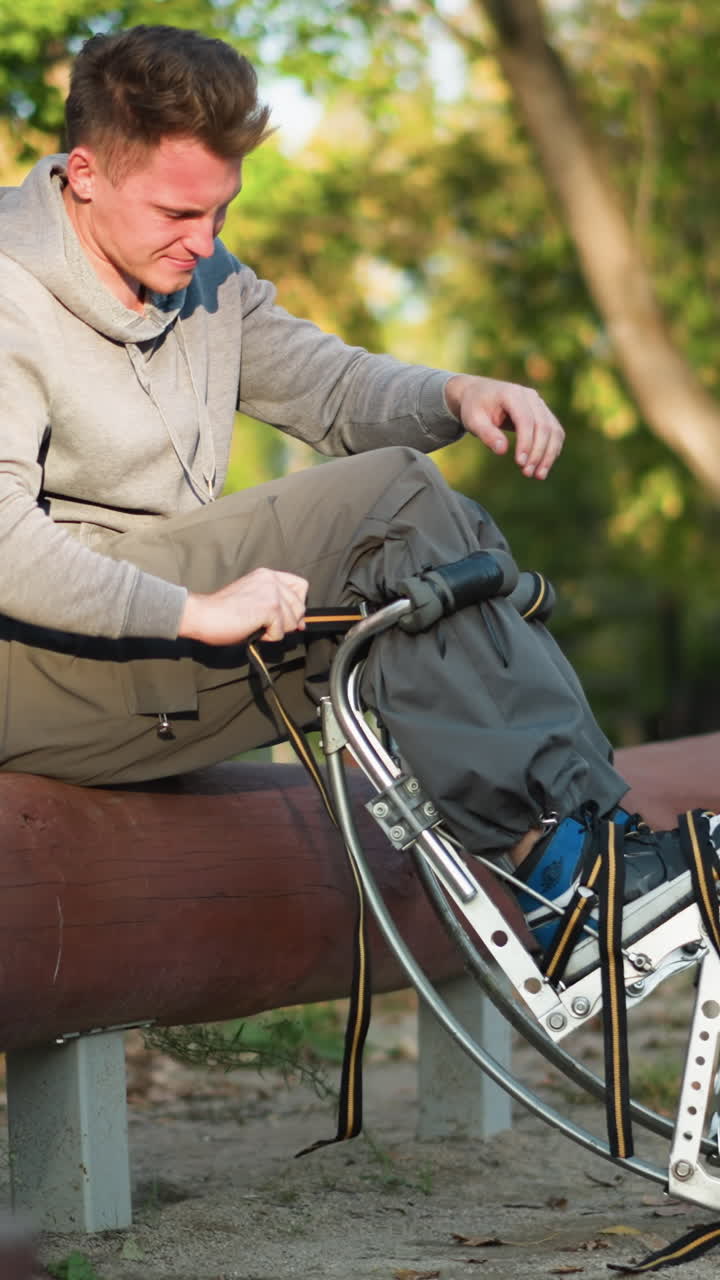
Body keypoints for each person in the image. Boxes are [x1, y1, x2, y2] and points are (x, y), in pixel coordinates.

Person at [0, 24, 715, 966]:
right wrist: (192, 610)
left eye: (222, 211)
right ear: (83, 173)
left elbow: (332, 388)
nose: (204, 241)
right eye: (178, 213)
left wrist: (453, 394)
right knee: (390, 499)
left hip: (153, 655)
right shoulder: (10, 291)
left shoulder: (203, 279)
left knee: (443, 565)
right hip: (39, 674)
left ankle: (591, 859)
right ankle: (576, 873)